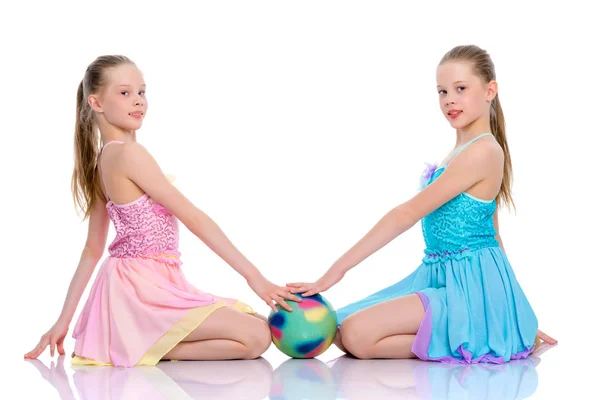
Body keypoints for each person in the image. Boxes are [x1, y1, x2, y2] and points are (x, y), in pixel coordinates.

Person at [287, 45, 557, 363]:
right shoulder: (458, 153)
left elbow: (407, 213)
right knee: (343, 329)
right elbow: (493, 231)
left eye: (461, 89)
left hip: (466, 285)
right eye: (442, 91)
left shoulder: (483, 151)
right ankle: (480, 331)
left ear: (489, 91)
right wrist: (512, 307)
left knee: (358, 335)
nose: (449, 100)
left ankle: (479, 333)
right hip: (439, 275)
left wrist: (336, 271)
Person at [24, 55, 298, 367]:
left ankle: (130, 343)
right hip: (139, 290)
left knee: (256, 329)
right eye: (125, 93)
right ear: (97, 103)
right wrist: (255, 278)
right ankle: (134, 347)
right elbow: (192, 217)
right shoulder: (127, 154)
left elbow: (92, 249)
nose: (138, 101)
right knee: (257, 335)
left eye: (142, 92)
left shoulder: (105, 158)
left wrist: (63, 321)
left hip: (152, 284)